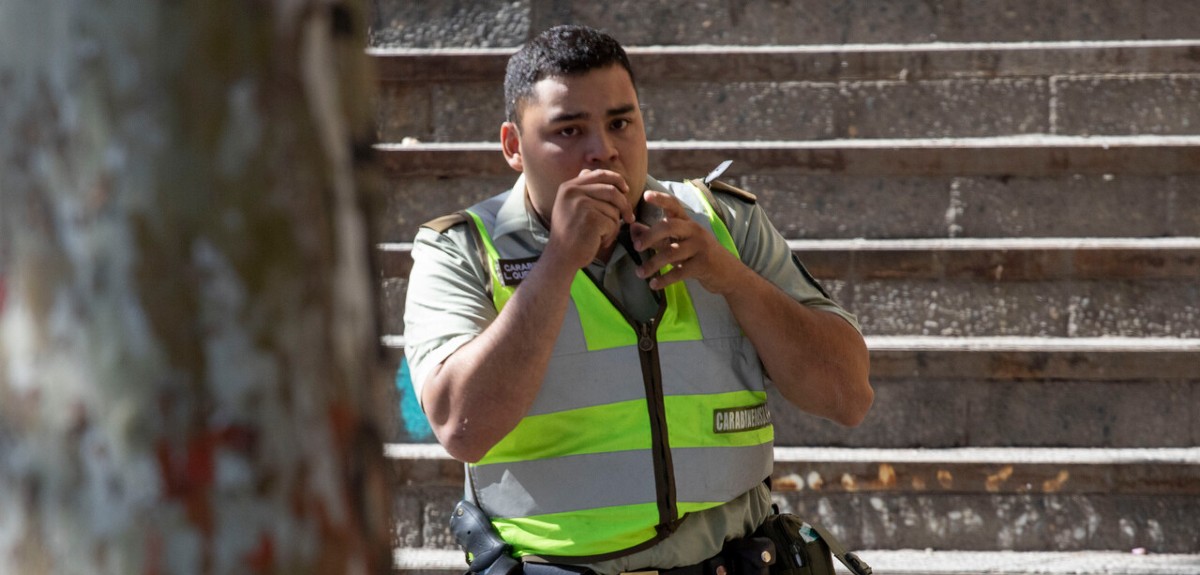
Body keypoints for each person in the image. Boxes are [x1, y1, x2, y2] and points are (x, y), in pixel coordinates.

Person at [403, 24, 873, 575]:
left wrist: (733, 279)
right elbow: (463, 427)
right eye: (568, 130)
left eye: (620, 122)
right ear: (513, 145)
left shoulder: (725, 223)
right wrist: (557, 264)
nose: (602, 151)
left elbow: (848, 396)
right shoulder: (462, 250)